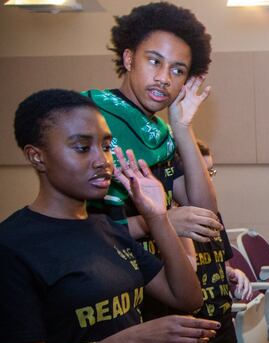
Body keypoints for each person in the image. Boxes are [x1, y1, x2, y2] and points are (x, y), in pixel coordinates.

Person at [0, 89, 219, 343]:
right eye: (82, 147)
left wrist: (158, 217)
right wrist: (135, 338)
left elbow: (187, 296)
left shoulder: (107, 229)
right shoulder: (13, 246)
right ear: (36, 156)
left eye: (105, 145)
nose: (103, 160)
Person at [83, 1, 222, 247]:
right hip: (96, 273)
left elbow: (204, 212)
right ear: (128, 58)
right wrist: (158, 222)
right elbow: (71, 224)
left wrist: (182, 128)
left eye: (178, 71)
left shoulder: (163, 137)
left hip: (153, 277)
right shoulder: (88, 113)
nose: (164, 79)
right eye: (155, 61)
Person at [163, 140, 252, 343]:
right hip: (190, 337)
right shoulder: (164, 225)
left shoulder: (213, 214)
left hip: (222, 329)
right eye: (200, 171)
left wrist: (232, 273)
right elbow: (185, 278)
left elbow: (216, 263)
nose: (207, 180)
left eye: (210, 171)